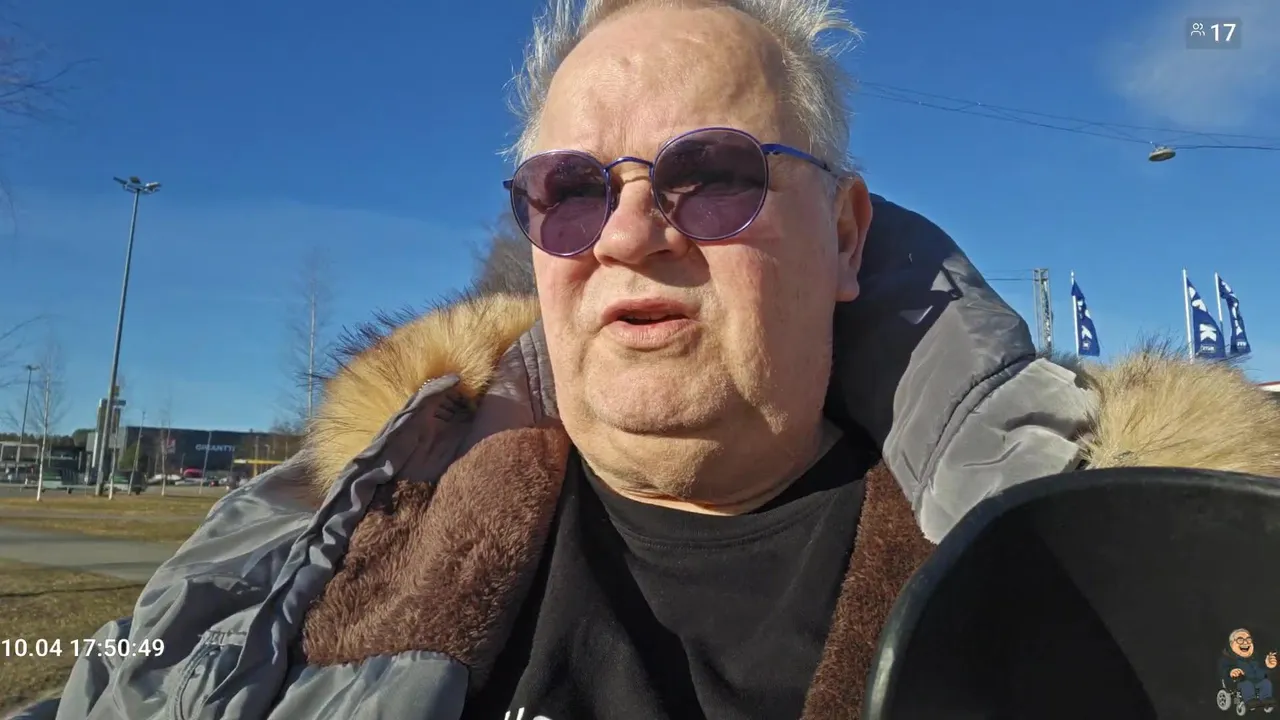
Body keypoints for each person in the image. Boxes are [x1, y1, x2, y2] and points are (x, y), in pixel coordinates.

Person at [20, 1, 1279, 719]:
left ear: (845, 236)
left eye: (712, 174)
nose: (627, 234)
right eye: (570, 191)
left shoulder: (1138, 577)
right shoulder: (324, 532)